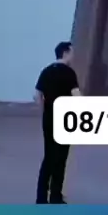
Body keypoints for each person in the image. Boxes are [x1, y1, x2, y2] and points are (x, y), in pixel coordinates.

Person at [34, 41, 80, 204]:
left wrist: (45, 110)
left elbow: (37, 95)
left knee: (49, 156)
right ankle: (55, 195)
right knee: (61, 157)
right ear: (65, 53)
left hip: (48, 119)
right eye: (71, 53)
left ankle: (41, 196)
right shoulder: (69, 73)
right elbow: (76, 96)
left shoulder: (46, 71)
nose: (73, 56)